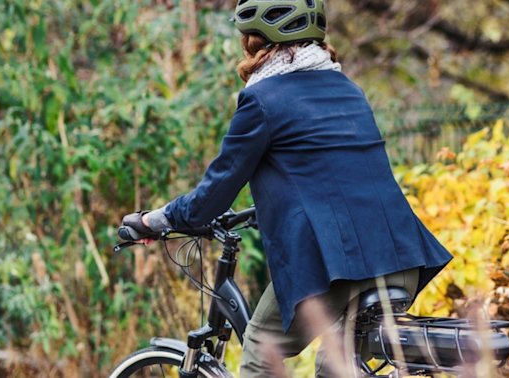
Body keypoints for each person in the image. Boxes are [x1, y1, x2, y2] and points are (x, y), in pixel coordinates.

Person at [121, 0, 453, 376]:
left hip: (335, 268)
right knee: (337, 366)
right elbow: (333, 174)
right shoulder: (348, 90)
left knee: (263, 351)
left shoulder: (263, 100)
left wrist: (155, 219)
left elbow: (211, 196)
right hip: (399, 255)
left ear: (257, 41)